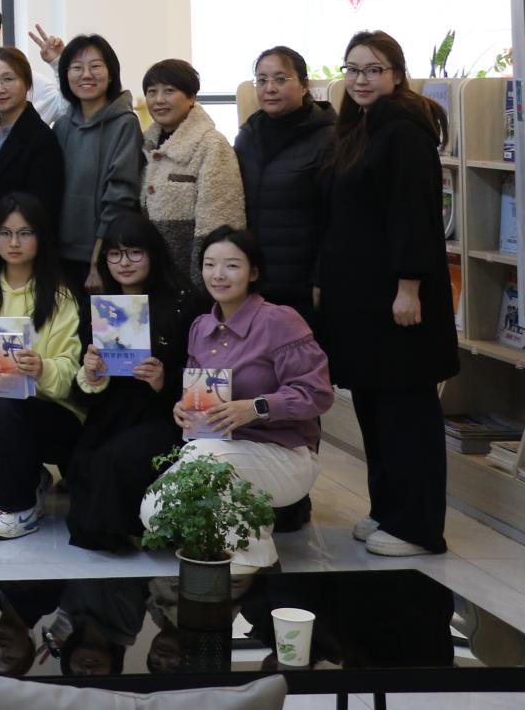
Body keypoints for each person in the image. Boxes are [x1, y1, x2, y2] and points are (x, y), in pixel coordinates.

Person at [316, 29, 457, 558]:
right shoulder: (361, 126)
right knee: (375, 408)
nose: (361, 79)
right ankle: (388, 508)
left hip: (399, 298)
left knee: (406, 411)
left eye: (373, 69)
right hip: (362, 299)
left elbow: (413, 215)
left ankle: (418, 527)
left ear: (396, 74)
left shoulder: (404, 132)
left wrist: (408, 287)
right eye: (353, 69)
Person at [139, 228, 334, 574]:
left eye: (231, 265)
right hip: (217, 451)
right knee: (154, 511)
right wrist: (183, 407)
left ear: (253, 272)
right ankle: (244, 530)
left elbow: (318, 394)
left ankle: (253, 557)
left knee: (204, 459)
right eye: (210, 264)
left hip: (285, 456)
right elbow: (197, 392)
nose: (218, 274)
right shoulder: (201, 326)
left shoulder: (280, 320)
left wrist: (256, 408)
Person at [0, 192, 84, 540]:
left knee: (10, 406)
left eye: (25, 233)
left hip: (53, 415)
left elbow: (70, 370)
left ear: (40, 237)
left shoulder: (60, 296)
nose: (14, 243)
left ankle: (17, 508)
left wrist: (42, 368)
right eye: (5, 233)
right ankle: (32, 480)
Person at [64, 213, 197, 552]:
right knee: (83, 461)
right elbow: (82, 395)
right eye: (115, 254)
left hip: (165, 415)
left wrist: (164, 380)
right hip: (112, 413)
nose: (124, 263)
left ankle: (133, 528)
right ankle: (112, 529)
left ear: (153, 254)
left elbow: (202, 374)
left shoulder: (184, 304)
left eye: (135, 252)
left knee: (117, 458)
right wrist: (91, 375)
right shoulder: (97, 309)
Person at [233, 46, 333, 322]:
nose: (270, 88)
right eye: (262, 80)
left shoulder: (328, 139)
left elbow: (336, 217)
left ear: (304, 85)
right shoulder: (247, 136)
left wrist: (321, 277)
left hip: (303, 286)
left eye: (280, 79)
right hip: (254, 283)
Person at [50, 35, 143, 303]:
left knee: (108, 327)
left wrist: (97, 261)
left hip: (106, 258)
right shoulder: (62, 126)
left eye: (95, 66)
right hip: (62, 258)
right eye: (77, 68)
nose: (86, 75)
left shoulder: (125, 124)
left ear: (111, 74)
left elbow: (120, 196)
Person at [137, 59, 246, 283]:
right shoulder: (144, 144)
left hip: (191, 279)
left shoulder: (211, 145)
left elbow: (219, 220)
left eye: (169, 91)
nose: (159, 100)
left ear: (191, 97)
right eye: (152, 92)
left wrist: (204, 282)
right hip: (151, 277)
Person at [0, 46, 66, 246]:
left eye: (8, 79)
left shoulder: (42, 139)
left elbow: (44, 210)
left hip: (19, 248)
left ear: (27, 82)